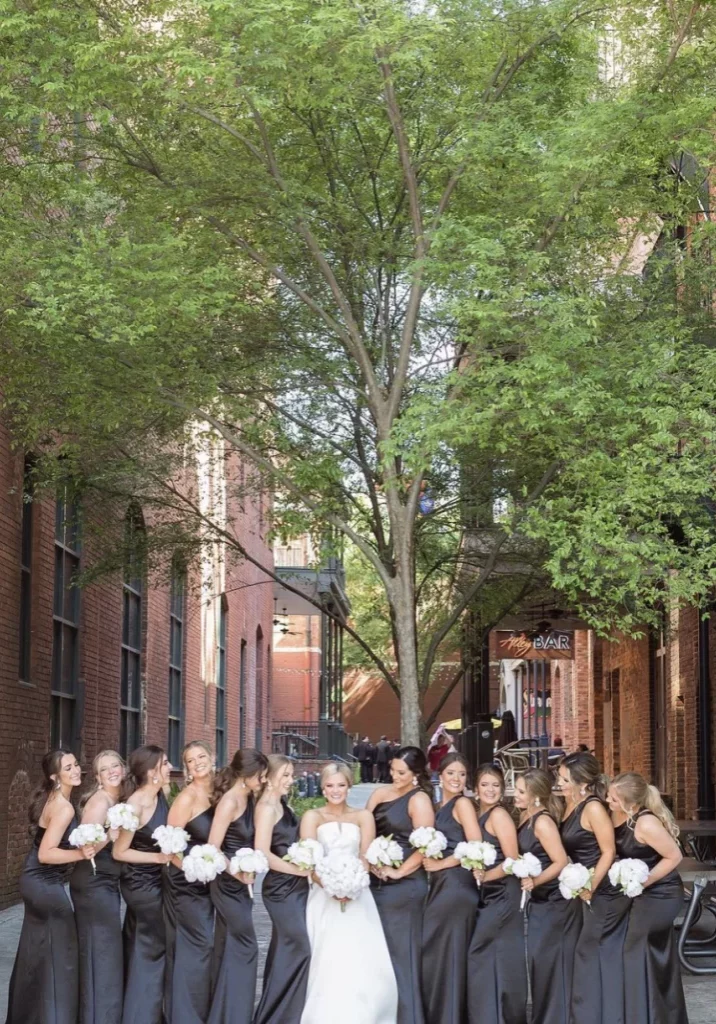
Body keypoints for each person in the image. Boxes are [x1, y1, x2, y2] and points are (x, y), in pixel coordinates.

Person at [300, 762, 397, 1024]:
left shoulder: (362, 817)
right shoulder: (312, 817)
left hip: (358, 894)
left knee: (361, 956)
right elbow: (309, 862)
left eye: (341, 785)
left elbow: (365, 857)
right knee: (328, 957)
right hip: (324, 895)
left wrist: (352, 886)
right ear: (322, 788)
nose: (335, 790)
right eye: (330, 786)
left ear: (348, 786)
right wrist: (332, 887)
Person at [6, 749, 94, 1024]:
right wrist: (81, 854)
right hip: (44, 883)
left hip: (36, 880)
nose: (76, 770)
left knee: (37, 950)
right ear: (55, 776)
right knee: (63, 953)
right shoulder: (64, 807)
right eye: (68, 768)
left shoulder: (55, 799)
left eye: (76, 764)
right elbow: (46, 853)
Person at [608, 772, 687, 1024]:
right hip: (640, 893)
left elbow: (674, 856)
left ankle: (644, 1015)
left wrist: (643, 880)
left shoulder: (646, 823)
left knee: (634, 946)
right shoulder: (617, 815)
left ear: (630, 803)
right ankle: (657, 1012)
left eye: (612, 798)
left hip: (662, 892)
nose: (607, 801)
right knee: (640, 949)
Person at [557, 752, 629, 1024]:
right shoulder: (570, 803)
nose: (560, 783)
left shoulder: (593, 808)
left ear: (583, 783)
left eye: (565, 779)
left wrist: (590, 885)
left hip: (603, 892)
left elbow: (609, 851)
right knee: (588, 953)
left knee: (590, 952)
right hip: (583, 889)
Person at [367, 745, 435, 1024]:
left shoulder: (419, 800)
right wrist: (369, 860)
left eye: (401, 772)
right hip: (375, 884)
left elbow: (426, 846)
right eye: (393, 770)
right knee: (378, 954)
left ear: (416, 774)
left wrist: (399, 872)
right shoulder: (380, 794)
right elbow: (364, 829)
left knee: (401, 954)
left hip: (405, 888)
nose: (394, 775)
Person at [208, 747, 268, 1024]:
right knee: (247, 947)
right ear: (246, 775)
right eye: (260, 775)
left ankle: (226, 1014)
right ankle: (236, 1016)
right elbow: (212, 848)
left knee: (231, 947)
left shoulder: (250, 797)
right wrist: (238, 872)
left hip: (243, 883)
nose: (263, 780)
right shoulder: (230, 802)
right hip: (227, 883)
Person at [113, 745, 173, 1024]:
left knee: (141, 947)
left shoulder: (162, 795)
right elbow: (119, 852)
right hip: (141, 885)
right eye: (165, 763)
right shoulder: (136, 803)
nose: (170, 767)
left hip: (156, 881)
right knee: (152, 950)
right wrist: (160, 857)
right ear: (152, 772)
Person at [421, 753, 482, 1024]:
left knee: (450, 952)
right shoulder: (436, 806)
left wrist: (441, 864)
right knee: (439, 953)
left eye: (462, 774)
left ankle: (451, 1016)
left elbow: (476, 845)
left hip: (457, 884)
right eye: (451, 773)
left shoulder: (463, 804)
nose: (457, 779)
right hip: (440, 886)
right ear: (440, 775)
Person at [515, 768, 578, 1024]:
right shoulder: (524, 815)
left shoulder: (542, 821)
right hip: (540, 903)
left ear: (536, 796)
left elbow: (560, 861)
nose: (516, 795)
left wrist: (534, 881)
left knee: (549, 963)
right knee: (539, 963)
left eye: (521, 791)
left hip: (555, 903)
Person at [467, 764, 527, 1024]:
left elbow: (512, 859)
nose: (490, 790)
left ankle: (501, 1015)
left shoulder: (499, 815)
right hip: (488, 894)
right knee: (491, 954)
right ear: (476, 790)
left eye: (495, 785)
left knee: (481, 952)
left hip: (503, 892)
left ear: (502, 790)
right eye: (485, 785)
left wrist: (485, 878)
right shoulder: (478, 814)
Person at [254, 755, 312, 1024]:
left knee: (284, 949)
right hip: (280, 888)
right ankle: (280, 1015)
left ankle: (284, 1014)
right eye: (285, 775)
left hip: (297, 885)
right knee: (300, 947)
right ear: (268, 777)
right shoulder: (266, 808)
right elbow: (263, 852)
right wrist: (298, 870)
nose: (291, 780)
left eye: (291, 775)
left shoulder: (282, 803)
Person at [70, 749, 126, 1024]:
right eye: (105, 769)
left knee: (104, 952)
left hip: (107, 883)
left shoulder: (121, 799)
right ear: (98, 777)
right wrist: (109, 835)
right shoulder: (99, 802)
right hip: (92, 883)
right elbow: (85, 848)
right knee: (103, 952)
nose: (113, 771)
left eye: (116, 765)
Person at [163, 741, 215, 1024]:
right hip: (186, 883)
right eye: (191, 761)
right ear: (187, 768)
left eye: (202, 756)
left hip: (211, 883)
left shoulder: (219, 792)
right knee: (198, 947)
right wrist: (193, 870)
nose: (198, 763)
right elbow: (170, 847)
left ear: (212, 758)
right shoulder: (186, 798)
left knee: (207, 948)